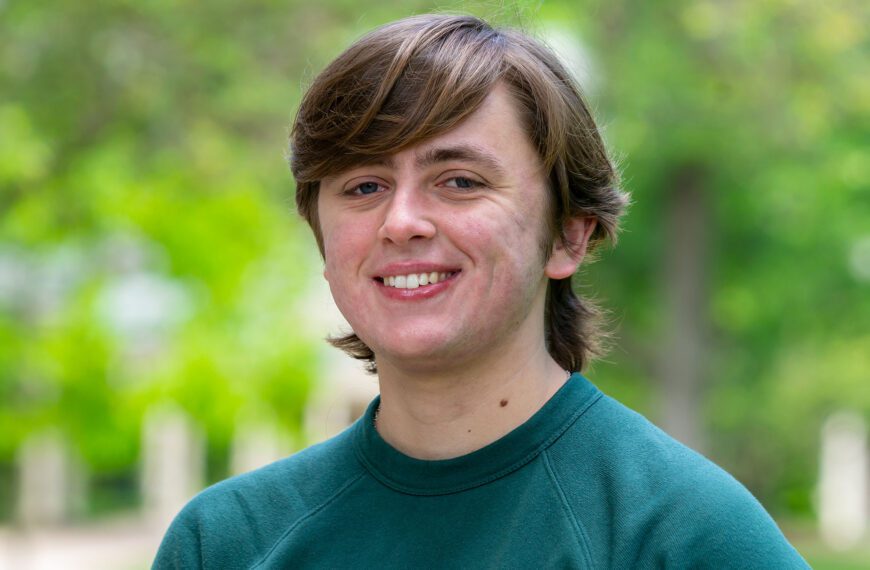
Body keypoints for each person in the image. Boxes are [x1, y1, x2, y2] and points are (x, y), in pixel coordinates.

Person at [153, 14, 808, 569]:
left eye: (460, 181)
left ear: (568, 238)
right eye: (364, 187)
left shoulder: (687, 535)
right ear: (325, 243)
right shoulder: (225, 544)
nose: (402, 221)